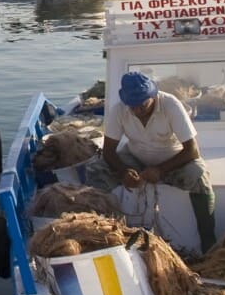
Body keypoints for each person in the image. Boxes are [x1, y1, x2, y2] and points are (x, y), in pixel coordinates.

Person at [91, 70, 217, 251]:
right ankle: (103, 235)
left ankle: (208, 242)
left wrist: (160, 170)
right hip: (135, 157)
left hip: (172, 159)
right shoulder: (119, 110)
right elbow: (109, 152)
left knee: (200, 176)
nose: (137, 111)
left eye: (142, 105)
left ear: (153, 96)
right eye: (132, 107)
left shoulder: (171, 105)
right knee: (96, 170)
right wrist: (123, 171)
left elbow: (192, 151)